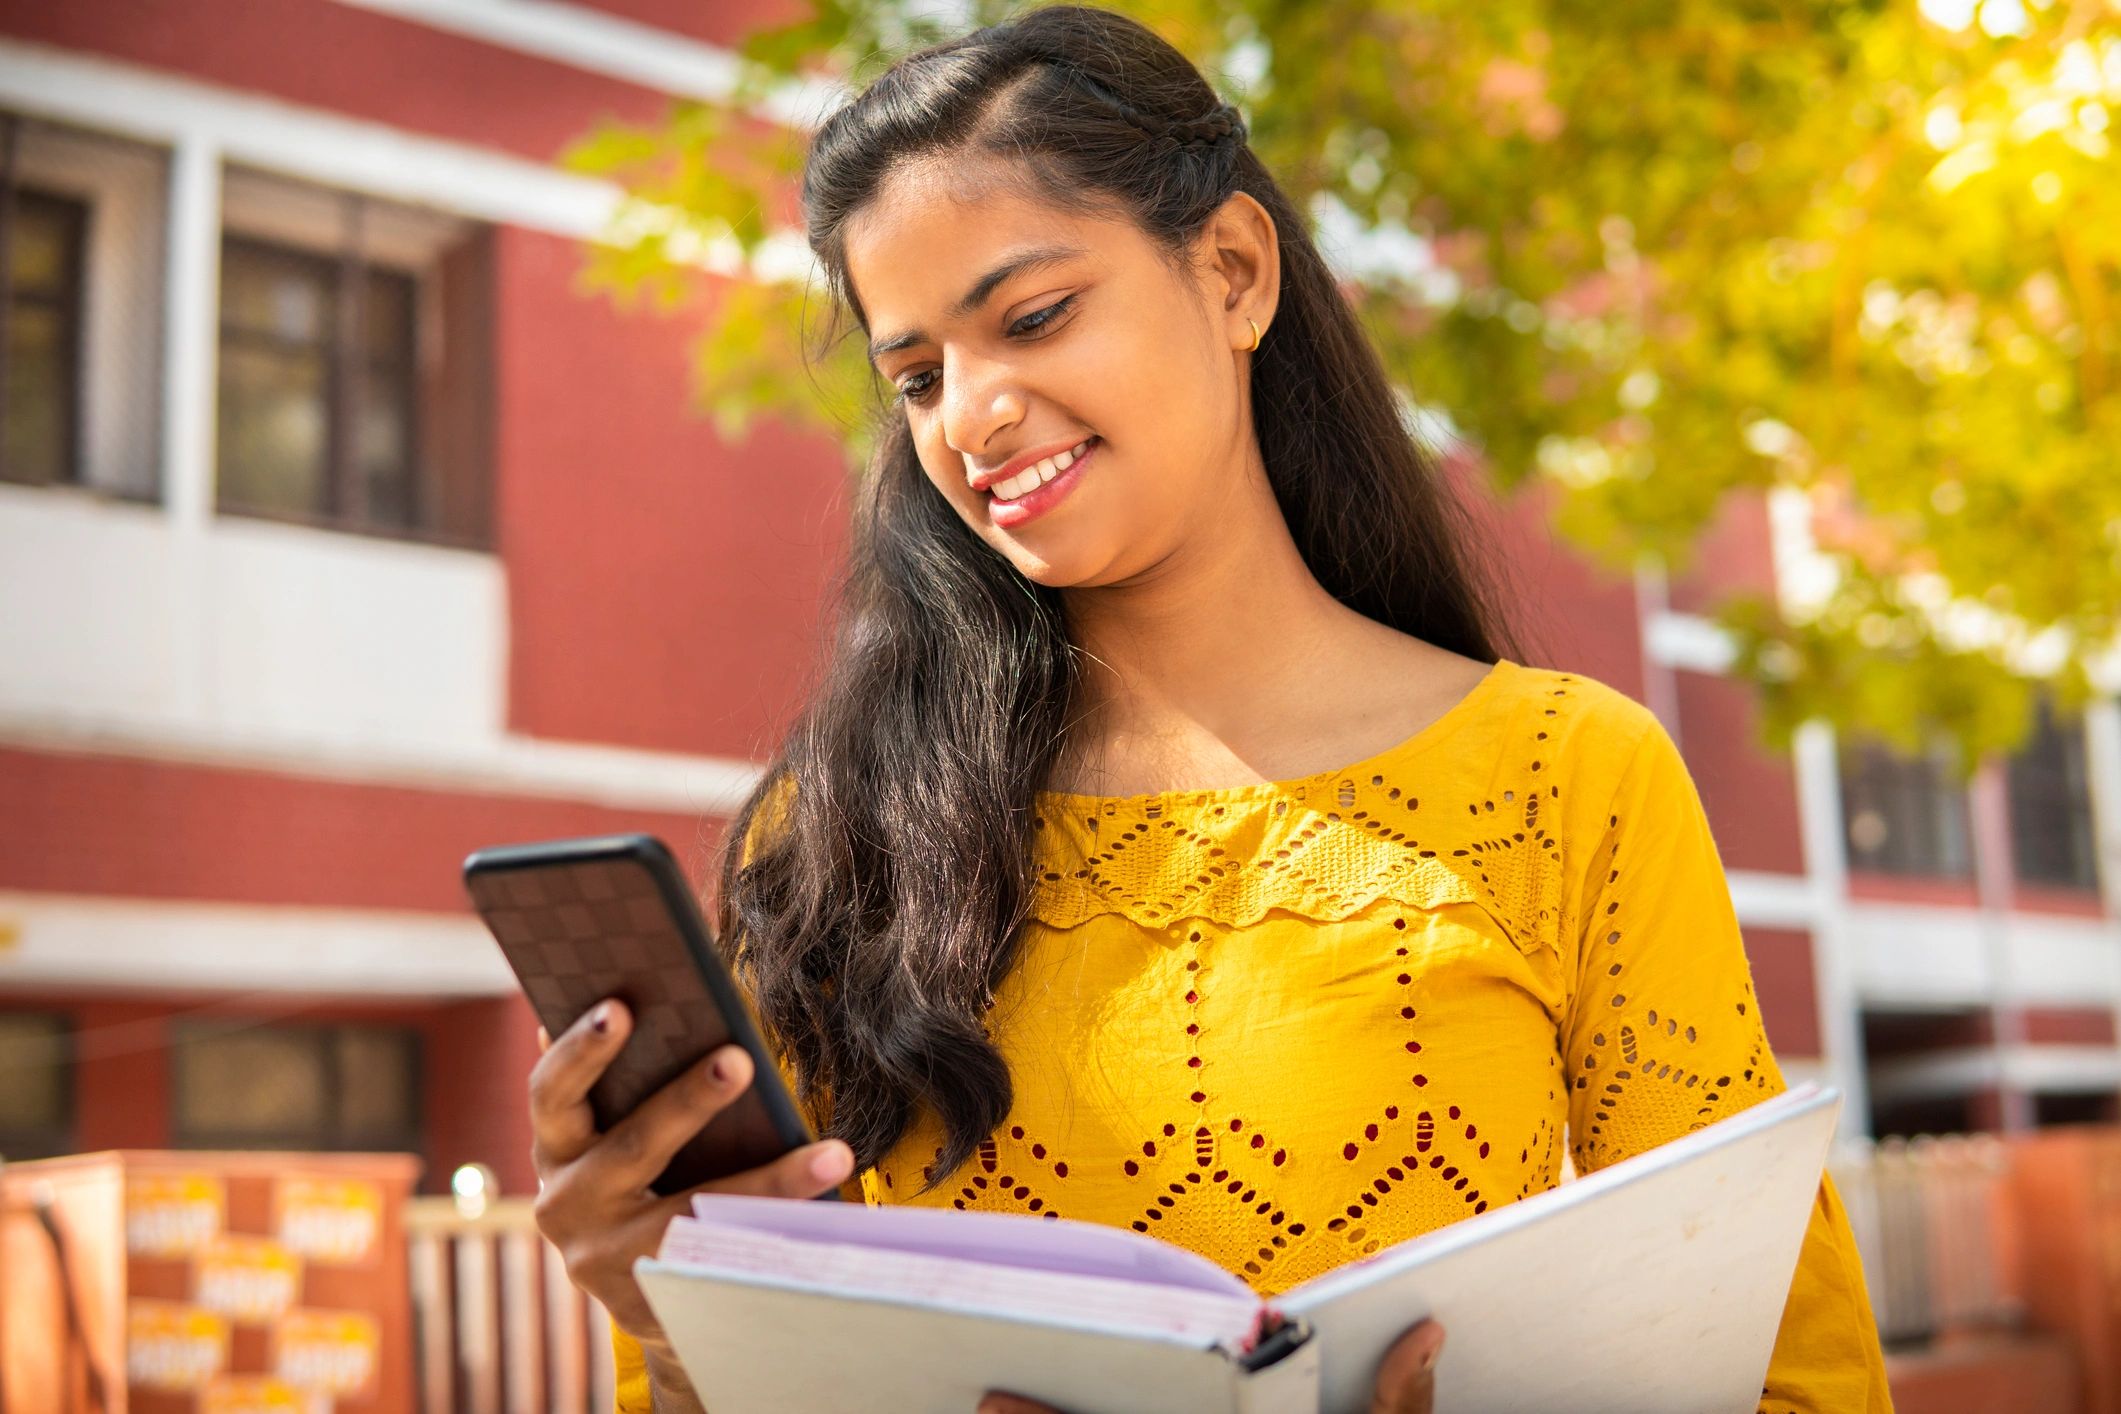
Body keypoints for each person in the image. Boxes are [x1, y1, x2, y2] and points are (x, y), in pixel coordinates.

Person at [525, 5, 1895, 1411]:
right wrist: (667, 1314)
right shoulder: (837, 843)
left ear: (1234, 270)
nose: (972, 416)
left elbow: (1799, 1384)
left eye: (1034, 316)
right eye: (919, 376)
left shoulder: (1566, 774)